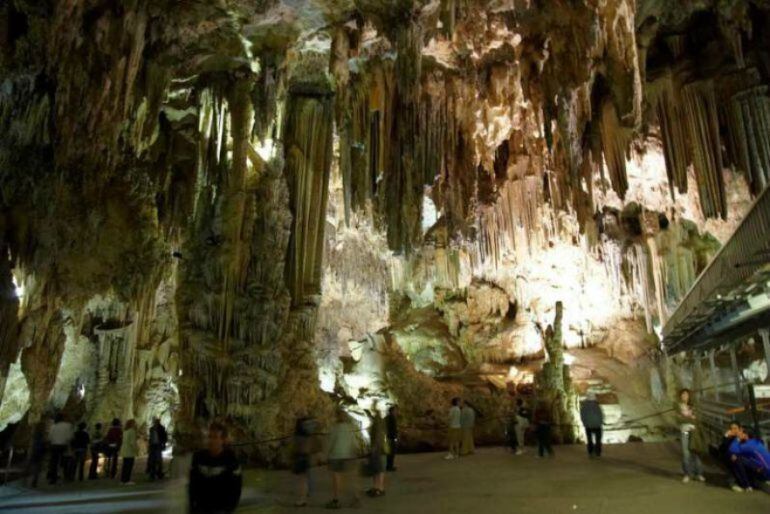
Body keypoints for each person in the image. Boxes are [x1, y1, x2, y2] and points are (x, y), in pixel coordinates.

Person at [189, 422, 243, 514]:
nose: (211, 440)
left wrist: (229, 509)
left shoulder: (231, 459)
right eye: (209, 436)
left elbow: (236, 489)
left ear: (223, 440)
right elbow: (192, 485)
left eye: (215, 437)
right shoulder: (198, 457)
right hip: (201, 508)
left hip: (221, 509)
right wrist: (192, 507)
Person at [326, 408, 358, 509]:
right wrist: (355, 452)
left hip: (336, 455)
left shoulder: (334, 428)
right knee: (350, 477)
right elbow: (354, 442)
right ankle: (355, 498)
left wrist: (326, 453)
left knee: (336, 478)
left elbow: (330, 442)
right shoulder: (349, 428)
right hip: (348, 455)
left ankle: (336, 500)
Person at [675, 388, 705, 483]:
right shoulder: (677, 405)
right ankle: (687, 474)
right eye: (683, 395)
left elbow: (697, 419)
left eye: (686, 394)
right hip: (684, 432)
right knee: (685, 453)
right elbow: (678, 420)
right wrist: (690, 418)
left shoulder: (693, 406)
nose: (685, 396)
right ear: (680, 396)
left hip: (694, 432)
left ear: (689, 396)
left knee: (695, 453)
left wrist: (686, 417)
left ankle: (699, 473)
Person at [292, 416, 320, 507]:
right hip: (305, 457)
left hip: (301, 457)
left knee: (302, 480)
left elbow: (297, 447)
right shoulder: (308, 434)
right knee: (305, 478)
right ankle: (305, 495)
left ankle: (302, 499)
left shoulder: (299, 436)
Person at [365, 405, 387, 498]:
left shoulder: (377, 422)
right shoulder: (377, 421)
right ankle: (376, 487)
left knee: (378, 469)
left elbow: (378, 435)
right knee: (376, 468)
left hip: (377, 449)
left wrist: (374, 447)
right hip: (377, 448)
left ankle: (379, 488)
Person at [47, 413, 74, 484]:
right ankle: (66, 476)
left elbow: (49, 437)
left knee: (54, 462)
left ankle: (53, 478)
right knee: (64, 461)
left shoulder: (53, 426)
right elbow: (70, 437)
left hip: (54, 446)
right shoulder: (68, 426)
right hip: (64, 445)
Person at [580, 392, 604, 458]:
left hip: (588, 425)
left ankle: (590, 452)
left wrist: (585, 423)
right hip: (597, 425)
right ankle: (598, 453)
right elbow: (600, 415)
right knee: (598, 440)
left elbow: (582, 416)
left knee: (589, 439)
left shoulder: (584, 406)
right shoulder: (597, 406)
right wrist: (601, 422)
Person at [27, 421, 47, 488]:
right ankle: (34, 480)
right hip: (39, 451)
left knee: (33, 465)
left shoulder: (34, 434)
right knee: (37, 466)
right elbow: (42, 443)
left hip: (35, 450)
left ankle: (32, 479)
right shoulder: (41, 435)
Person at [120, 419, 138, 485]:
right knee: (129, 466)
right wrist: (136, 450)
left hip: (124, 450)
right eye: (134, 423)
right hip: (129, 451)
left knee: (125, 466)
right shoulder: (132, 431)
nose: (135, 424)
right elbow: (132, 443)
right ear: (132, 424)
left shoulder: (125, 431)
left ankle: (123, 480)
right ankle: (127, 480)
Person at [385, 406, 398, 471]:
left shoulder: (387, 418)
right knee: (392, 453)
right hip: (392, 438)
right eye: (395, 410)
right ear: (392, 411)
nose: (396, 412)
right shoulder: (392, 418)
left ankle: (388, 466)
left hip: (388, 437)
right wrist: (395, 438)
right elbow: (393, 429)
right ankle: (390, 467)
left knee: (389, 453)